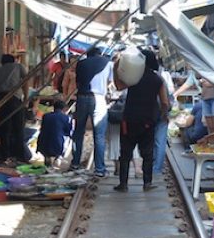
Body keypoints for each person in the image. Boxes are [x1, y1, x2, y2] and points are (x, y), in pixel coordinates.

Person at [113, 49, 169, 192]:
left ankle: (123, 184)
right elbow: (165, 102)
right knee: (147, 154)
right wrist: (163, 115)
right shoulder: (158, 80)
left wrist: (115, 68)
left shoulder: (133, 76)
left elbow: (119, 86)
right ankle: (147, 183)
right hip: (148, 122)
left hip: (129, 120)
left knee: (125, 154)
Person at [71, 47, 114, 176]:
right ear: (99, 54)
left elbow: (78, 83)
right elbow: (110, 82)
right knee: (99, 136)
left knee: (78, 132)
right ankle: (99, 169)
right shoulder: (108, 63)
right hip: (99, 99)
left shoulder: (81, 63)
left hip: (82, 97)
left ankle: (75, 164)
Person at [0, 54, 29, 164]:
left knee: (5, 127)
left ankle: (5, 155)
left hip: (1, 98)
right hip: (14, 97)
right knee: (18, 127)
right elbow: (26, 81)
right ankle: (20, 156)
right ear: (13, 60)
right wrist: (26, 97)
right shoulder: (18, 67)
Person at [37, 99, 73, 169]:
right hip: (57, 145)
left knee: (47, 134)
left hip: (42, 144)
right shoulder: (66, 118)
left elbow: (42, 128)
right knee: (67, 138)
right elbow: (68, 132)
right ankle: (58, 157)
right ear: (64, 109)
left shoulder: (45, 116)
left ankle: (47, 158)